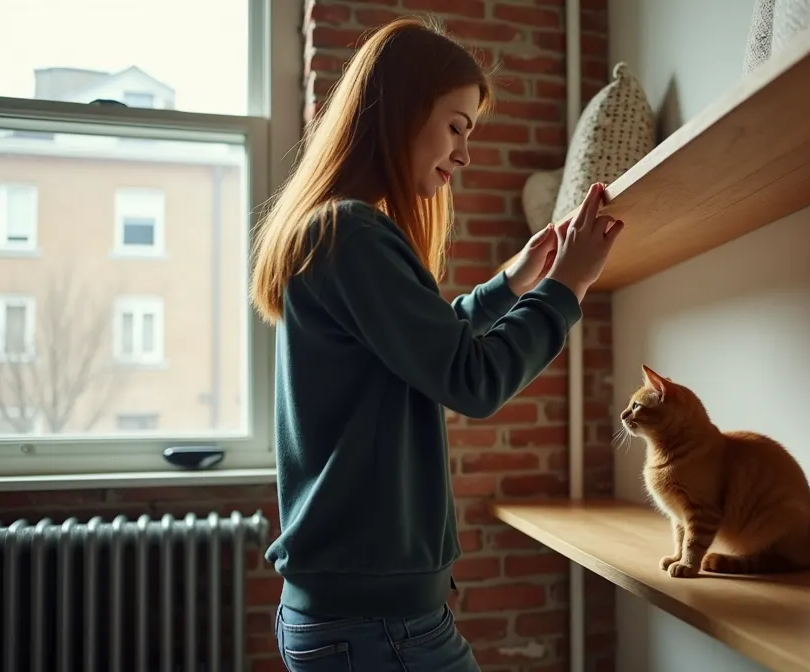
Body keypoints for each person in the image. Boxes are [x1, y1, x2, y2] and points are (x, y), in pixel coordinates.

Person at [248, 16, 624, 672]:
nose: (465, 153)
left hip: (353, 617)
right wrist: (567, 288)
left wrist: (513, 282)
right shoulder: (353, 231)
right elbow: (469, 378)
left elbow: (425, 338)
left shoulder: (333, 229)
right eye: (456, 126)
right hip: (378, 626)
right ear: (398, 111)